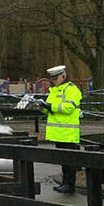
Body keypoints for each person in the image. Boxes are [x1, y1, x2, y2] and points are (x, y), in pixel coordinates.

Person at [38, 65, 82, 194]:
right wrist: (42, 107)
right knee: (64, 161)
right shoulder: (55, 91)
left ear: (63, 76)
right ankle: (65, 183)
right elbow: (50, 110)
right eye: (53, 79)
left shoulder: (72, 90)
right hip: (58, 133)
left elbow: (68, 108)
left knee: (70, 161)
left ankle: (70, 185)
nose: (54, 81)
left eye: (56, 78)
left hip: (68, 133)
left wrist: (50, 105)